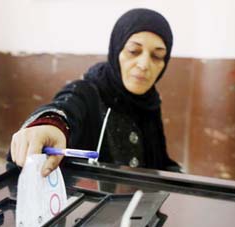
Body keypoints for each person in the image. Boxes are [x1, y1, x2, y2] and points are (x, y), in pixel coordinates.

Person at [10, 8, 181, 177]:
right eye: (133, 51)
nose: (144, 64)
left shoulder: (150, 102)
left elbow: (159, 164)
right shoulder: (88, 92)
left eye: (157, 56)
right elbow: (67, 106)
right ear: (117, 49)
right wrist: (50, 125)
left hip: (141, 202)